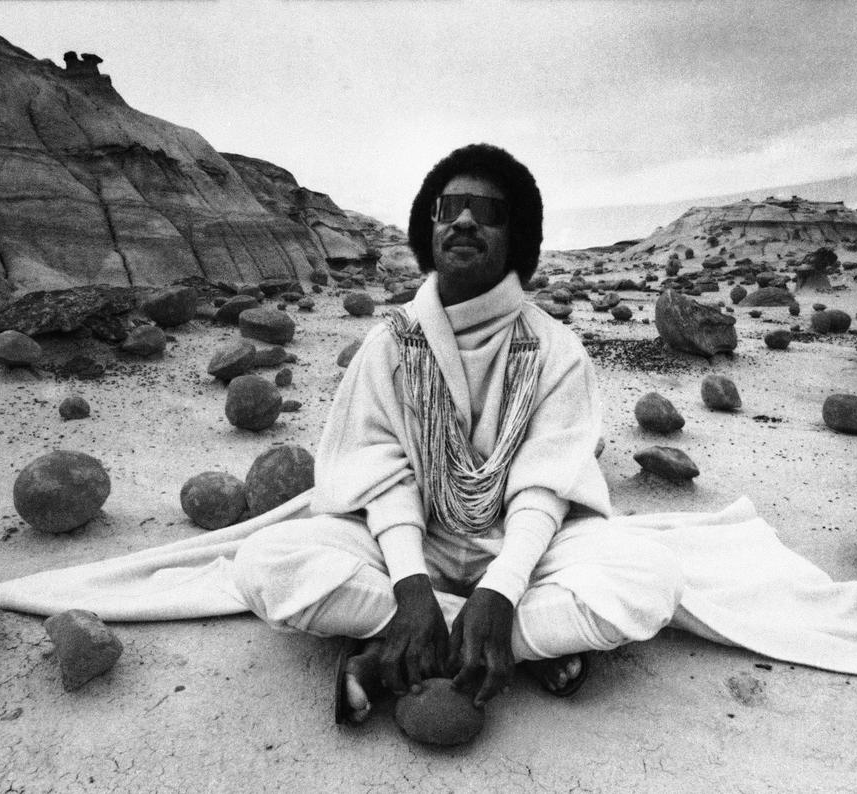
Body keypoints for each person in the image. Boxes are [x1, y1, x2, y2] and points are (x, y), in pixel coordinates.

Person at [231, 143, 685, 724]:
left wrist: (503, 587)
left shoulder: (554, 348)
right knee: (264, 565)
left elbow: (545, 484)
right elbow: (378, 468)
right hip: (412, 542)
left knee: (652, 578)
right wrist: (411, 586)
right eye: (450, 208)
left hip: (525, 546)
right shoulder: (391, 342)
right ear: (432, 225)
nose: (466, 219)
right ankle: (510, 645)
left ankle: (417, 648)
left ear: (514, 235)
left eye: (488, 211)